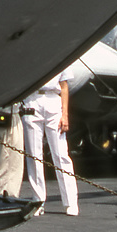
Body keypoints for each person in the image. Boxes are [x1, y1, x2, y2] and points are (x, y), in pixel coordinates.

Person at [21, 66, 78, 216]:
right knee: (34, 155)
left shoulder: (60, 53)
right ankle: (38, 200)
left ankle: (70, 202)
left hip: (53, 99)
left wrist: (65, 114)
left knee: (61, 154)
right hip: (32, 99)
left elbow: (64, 86)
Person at [0, 104, 23, 198]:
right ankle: (4, 194)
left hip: (11, 114)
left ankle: (6, 193)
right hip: (4, 115)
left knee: (11, 159)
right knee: (6, 160)